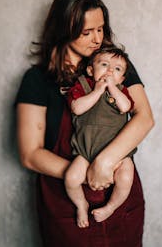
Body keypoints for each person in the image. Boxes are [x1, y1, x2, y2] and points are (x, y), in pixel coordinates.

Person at [15, 0, 154, 247]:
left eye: (101, 29)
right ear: (63, 31)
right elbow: (30, 153)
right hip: (66, 201)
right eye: (86, 32)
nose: (97, 39)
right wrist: (84, 172)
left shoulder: (116, 64)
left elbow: (144, 118)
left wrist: (105, 162)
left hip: (118, 189)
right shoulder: (37, 80)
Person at [65, 46, 137, 228]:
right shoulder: (82, 86)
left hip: (117, 154)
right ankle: (81, 204)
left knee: (127, 177)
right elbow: (77, 108)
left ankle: (111, 207)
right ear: (91, 70)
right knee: (71, 178)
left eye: (117, 69)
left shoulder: (121, 90)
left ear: (122, 79)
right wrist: (97, 91)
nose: (110, 71)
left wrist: (112, 87)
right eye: (104, 64)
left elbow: (125, 107)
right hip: (86, 150)